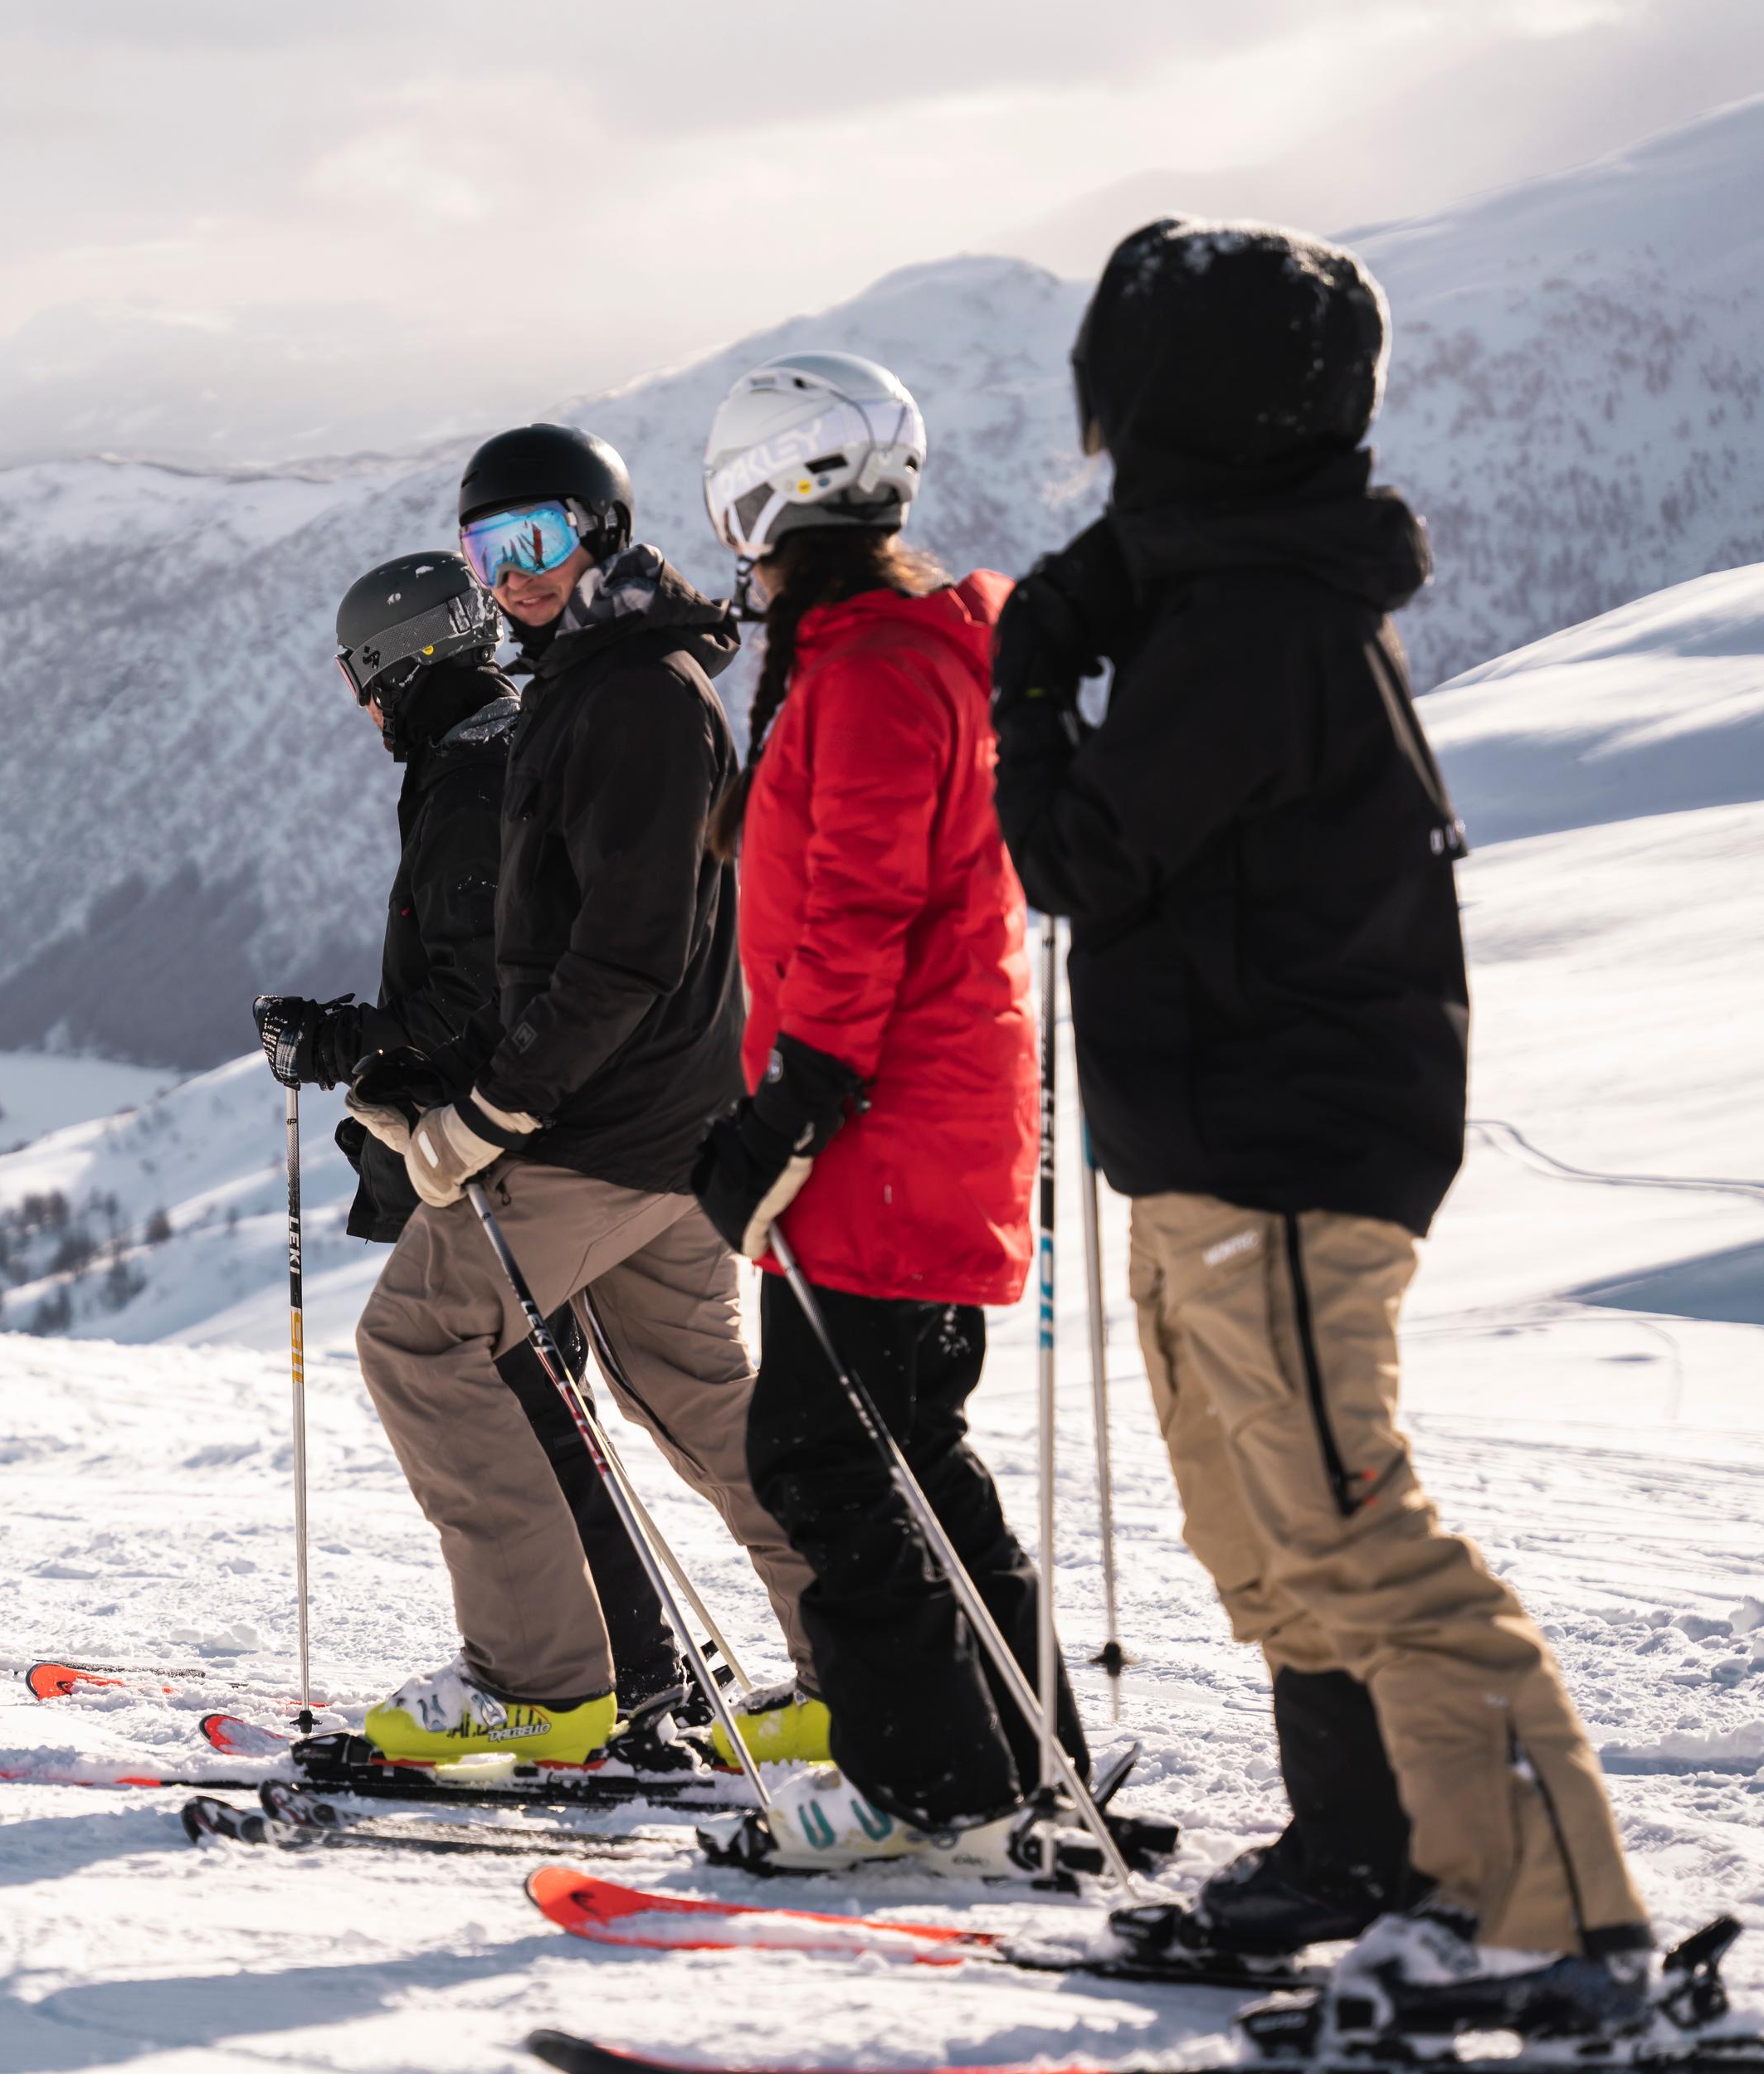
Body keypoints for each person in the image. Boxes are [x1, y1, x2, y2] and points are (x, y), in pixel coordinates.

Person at [993, 219, 1654, 2033]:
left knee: (1359, 1535)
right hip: (1216, 1148)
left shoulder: (1259, 630)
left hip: (1276, 1155)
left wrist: (1033, 682)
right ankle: (1359, 1844)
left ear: (1184, 411)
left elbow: (1081, 856)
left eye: (1126, 413)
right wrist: (1106, 607)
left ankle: (1549, 1914)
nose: (1109, 448)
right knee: (1273, 1537)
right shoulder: (1241, 601)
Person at [255, 551, 812, 1743]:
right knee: (693, 1395)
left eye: (365, 683)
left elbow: (477, 994)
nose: (364, 713)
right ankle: (864, 1654)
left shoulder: (470, 777)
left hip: (564, 1134)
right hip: (682, 1113)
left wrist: (355, 1049)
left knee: (440, 1353)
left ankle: (548, 1682)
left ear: (400, 673)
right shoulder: (544, 727)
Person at [688, 353, 1089, 1872]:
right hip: (931, 1116)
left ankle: (932, 1789)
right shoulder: (902, 644)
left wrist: (796, 1105)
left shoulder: (865, 666)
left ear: (760, 497)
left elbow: (858, 903)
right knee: (908, 1443)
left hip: (884, 1129)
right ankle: (1022, 1764)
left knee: (828, 1453)